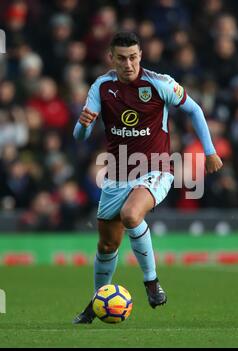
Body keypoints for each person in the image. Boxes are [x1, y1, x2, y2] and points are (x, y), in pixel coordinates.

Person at [72, 32, 223, 324]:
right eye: (121, 58)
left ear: (140, 56)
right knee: (106, 245)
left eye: (133, 57)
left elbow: (194, 110)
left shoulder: (160, 82)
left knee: (131, 215)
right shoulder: (101, 87)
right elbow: (81, 136)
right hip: (116, 175)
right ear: (111, 58)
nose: (128, 64)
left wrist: (210, 151)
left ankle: (151, 282)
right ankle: (97, 300)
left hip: (156, 169)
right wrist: (82, 126)